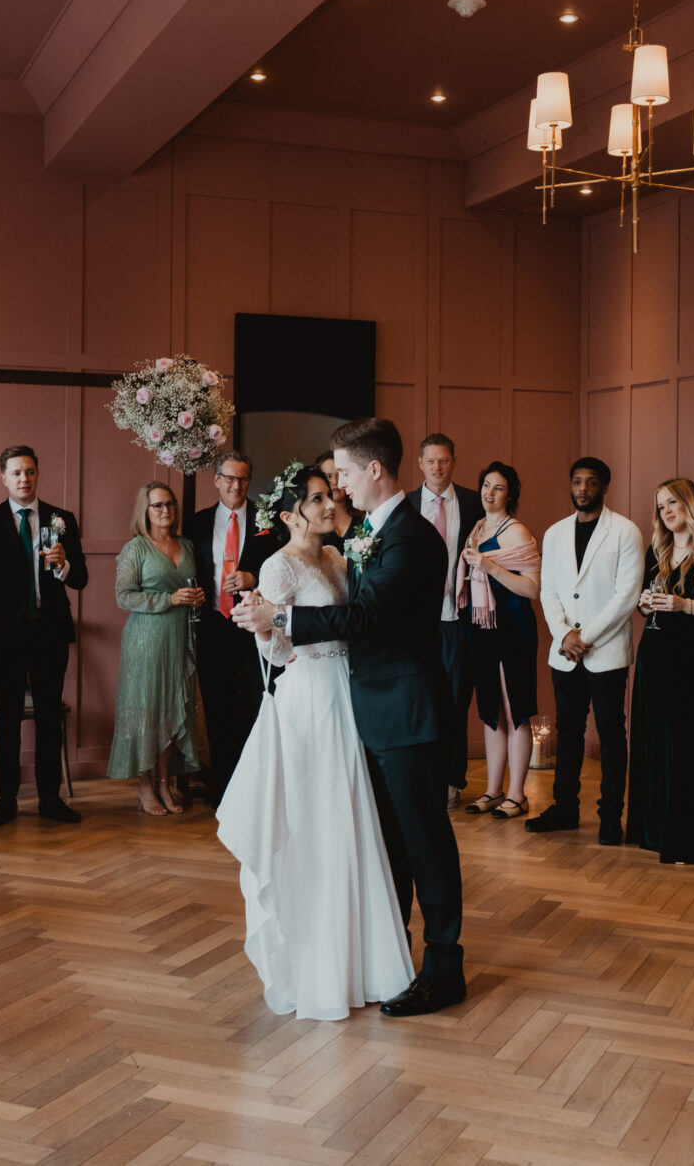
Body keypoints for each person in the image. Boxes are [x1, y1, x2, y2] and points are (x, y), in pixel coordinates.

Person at [234, 417, 464, 1017]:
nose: (338, 487)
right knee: (389, 844)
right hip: (365, 710)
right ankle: (394, 958)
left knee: (425, 841)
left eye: (342, 474)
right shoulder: (369, 531)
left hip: (408, 711)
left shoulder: (411, 539)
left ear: (374, 470)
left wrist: (280, 620)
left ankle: (445, 967)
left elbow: (366, 621)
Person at [217, 463, 414, 1019]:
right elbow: (279, 654)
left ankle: (363, 961)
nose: (332, 505)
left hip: (347, 693)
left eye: (331, 495)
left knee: (352, 818)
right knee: (317, 821)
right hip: (310, 699)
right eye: (318, 499)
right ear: (289, 513)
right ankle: (317, 964)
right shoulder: (277, 568)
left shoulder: (335, 556)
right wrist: (261, 628)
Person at [0, 445, 88, 827]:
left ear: (38, 474)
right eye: (17, 473)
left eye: (30, 472)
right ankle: (6, 800)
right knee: (8, 717)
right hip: (3, 639)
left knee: (50, 716)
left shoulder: (61, 518)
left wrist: (63, 564)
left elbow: (81, 578)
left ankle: (50, 798)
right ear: (3, 478)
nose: (24, 479)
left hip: (49, 633)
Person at [530, 457, 642, 845]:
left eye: (591, 482)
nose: (582, 488)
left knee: (611, 733)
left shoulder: (625, 531)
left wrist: (584, 636)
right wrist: (563, 635)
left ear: (604, 486)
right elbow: (549, 591)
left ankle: (611, 816)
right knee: (569, 730)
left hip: (606, 651)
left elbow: (625, 596)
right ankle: (565, 808)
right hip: (564, 653)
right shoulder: (555, 533)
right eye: (577, 481)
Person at [626, 479, 694, 864]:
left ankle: (687, 839)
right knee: (654, 741)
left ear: (690, 503)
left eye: (673, 502)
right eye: (660, 506)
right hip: (655, 654)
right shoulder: (659, 550)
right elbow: (645, 605)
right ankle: (652, 831)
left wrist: (682, 604)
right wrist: (644, 603)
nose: (666, 511)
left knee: (689, 745)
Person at [108, 483, 203, 815]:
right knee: (147, 714)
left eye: (170, 504)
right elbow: (124, 596)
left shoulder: (186, 545)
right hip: (146, 640)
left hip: (180, 638)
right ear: (144, 511)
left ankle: (165, 783)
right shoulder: (135, 548)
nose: (166, 510)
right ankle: (145, 785)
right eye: (158, 505)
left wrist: (195, 598)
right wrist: (170, 599)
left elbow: (193, 587)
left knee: (172, 713)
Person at [185, 451, 276, 795]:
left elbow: (282, 562)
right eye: (229, 478)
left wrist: (252, 577)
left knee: (256, 700)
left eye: (242, 479)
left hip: (254, 623)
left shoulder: (267, 520)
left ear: (249, 481)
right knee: (217, 704)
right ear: (217, 480)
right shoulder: (197, 523)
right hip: (211, 624)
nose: (235, 485)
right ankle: (225, 786)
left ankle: (256, 787)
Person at [459, 461, 540, 820]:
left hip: (514, 628)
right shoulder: (477, 528)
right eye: (486, 485)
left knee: (515, 710)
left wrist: (490, 566)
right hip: (482, 626)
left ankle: (517, 794)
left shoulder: (516, 533)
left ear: (511, 494)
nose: (489, 493)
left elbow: (533, 589)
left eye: (499, 488)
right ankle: (492, 790)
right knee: (491, 712)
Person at [407, 433, 480, 806]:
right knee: (420, 699)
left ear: (454, 461)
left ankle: (452, 780)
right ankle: (422, 779)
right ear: (420, 463)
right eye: (430, 461)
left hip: (457, 618)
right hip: (415, 622)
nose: (437, 467)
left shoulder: (472, 503)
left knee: (454, 701)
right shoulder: (404, 505)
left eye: (444, 461)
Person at [316, 449, 361, 551]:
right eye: (328, 476)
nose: (335, 481)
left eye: (340, 475)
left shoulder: (363, 515)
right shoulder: (315, 521)